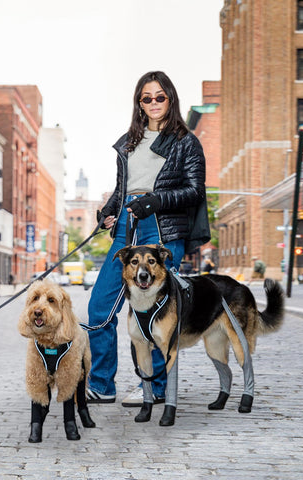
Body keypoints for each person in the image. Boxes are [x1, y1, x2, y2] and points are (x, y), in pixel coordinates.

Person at [86, 71, 210, 407]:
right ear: (139, 103)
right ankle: (101, 384)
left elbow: (195, 191)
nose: (153, 103)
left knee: (157, 313)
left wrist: (155, 200)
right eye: (146, 98)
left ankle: (153, 388)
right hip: (127, 227)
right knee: (98, 308)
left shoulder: (186, 142)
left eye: (160, 97)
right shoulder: (129, 142)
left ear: (170, 98)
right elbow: (123, 189)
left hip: (163, 230)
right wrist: (107, 212)